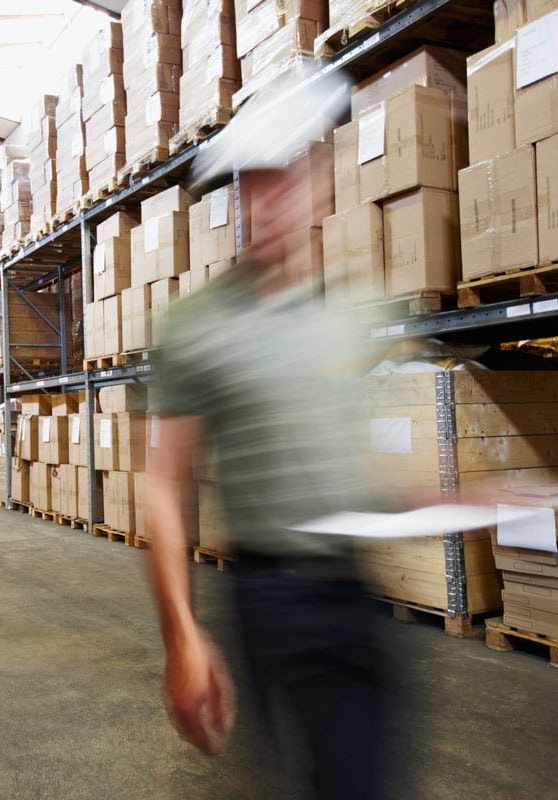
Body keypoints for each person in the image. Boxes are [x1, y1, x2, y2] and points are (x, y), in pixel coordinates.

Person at [145, 70, 401, 799]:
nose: (272, 202)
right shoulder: (196, 326)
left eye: (288, 179)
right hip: (270, 593)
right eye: (255, 185)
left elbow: (352, 469)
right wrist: (182, 637)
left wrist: (459, 497)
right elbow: (163, 487)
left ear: (321, 183)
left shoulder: (348, 315)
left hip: (357, 590)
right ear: (238, 197)